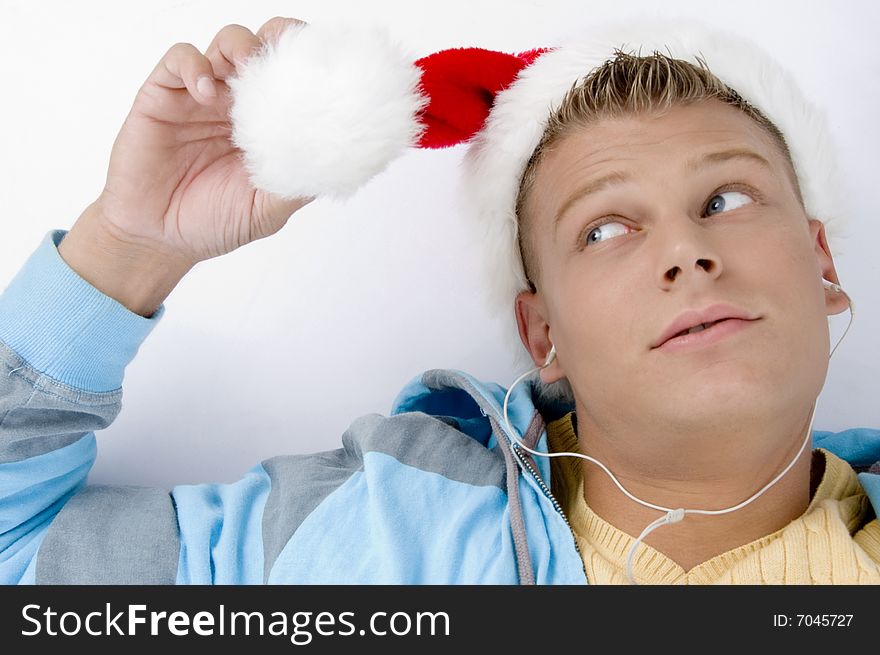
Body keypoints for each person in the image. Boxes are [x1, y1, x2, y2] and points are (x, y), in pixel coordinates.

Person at [1, 15, 878, 586]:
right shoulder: (363, 538)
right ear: (544, 336)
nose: (687, 251)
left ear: (820, 258)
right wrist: (132, 245)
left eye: (724, 200)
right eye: (606, 229)